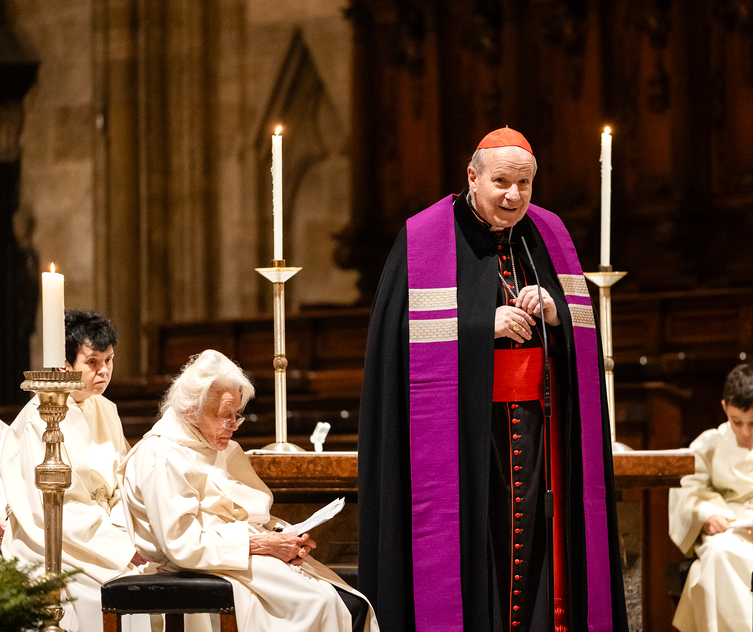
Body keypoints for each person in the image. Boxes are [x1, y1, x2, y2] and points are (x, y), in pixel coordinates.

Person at [358, 127, 628, 632]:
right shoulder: (425, 237)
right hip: (467, 440)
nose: (513, 195)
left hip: (538, 432)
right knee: (477, 551)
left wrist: (555, 312)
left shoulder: (548, 234)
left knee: (541, 548)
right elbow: (397, 339)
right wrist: (484, 324)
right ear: (472, 177)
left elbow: (581, 337)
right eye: (501, 181)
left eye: (524, 183)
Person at [118, 349, 378, 632]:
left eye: (237, 416)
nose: (233, 427)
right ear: (192, 410)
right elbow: (184, 544)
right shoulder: (162, 454)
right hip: (207, 566)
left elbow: (250, 514)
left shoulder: (221, 447)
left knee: (352, 602)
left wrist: (286, 537)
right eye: (225, 417)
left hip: (238, 557)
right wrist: (264, 545)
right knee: (322, 604)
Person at [0, 310, 152, 632]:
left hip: (106, 536)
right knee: (102, 594)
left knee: (157, 578)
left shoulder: (106, 410)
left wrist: (126, 532)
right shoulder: (41, 417)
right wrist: (122, 548)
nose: (104, 371)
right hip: (51, 542)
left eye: (109, 360)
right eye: (92, 362)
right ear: (65, 366)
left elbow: (123, 486)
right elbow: (54, 508)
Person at [669, 363, 753, 632]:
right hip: (729, 526)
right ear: (725, 408)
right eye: (737, 421)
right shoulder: (709, 443)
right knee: (716, 555)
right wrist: (706, 516)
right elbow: (687, 489)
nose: (746, 431)